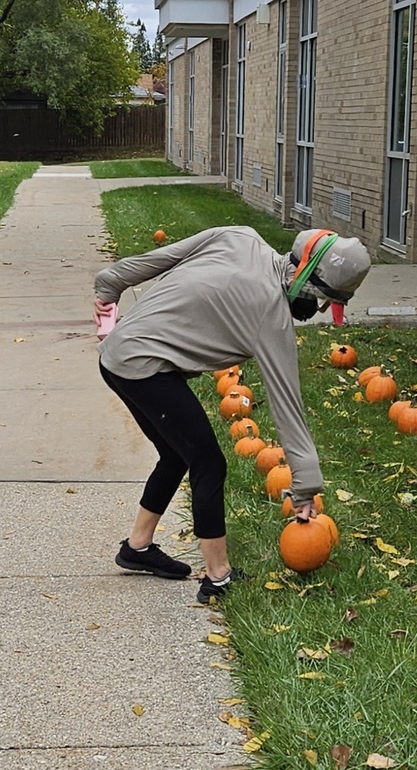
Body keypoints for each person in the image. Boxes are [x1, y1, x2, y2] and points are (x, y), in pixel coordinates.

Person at [93, 226, 371, 603]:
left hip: (120, 355)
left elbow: (159, 258)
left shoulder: (240, 237)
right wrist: (305, 487)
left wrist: (110, 284)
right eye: (324, 300)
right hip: (141, 367)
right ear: (308, 283)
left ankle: (137, 548)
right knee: (209, 463)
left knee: (178, 454)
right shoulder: (270, 315)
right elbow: (287, 405)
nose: (319, 310)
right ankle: (218, 576)